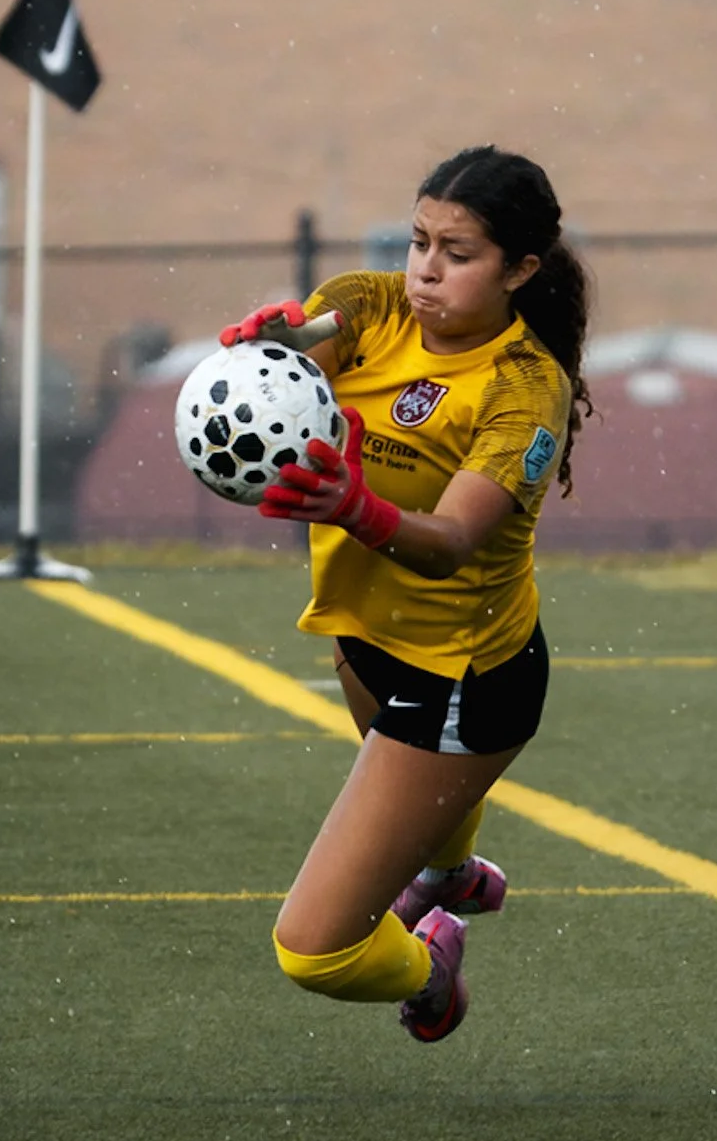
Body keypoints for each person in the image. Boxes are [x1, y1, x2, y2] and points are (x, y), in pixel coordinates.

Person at [217, 145, 593, 1043]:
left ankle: (433, 969)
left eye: (458, 255)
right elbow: (310, 341)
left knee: (314, 949)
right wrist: (273, 342)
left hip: (464, 678)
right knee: (424, 819)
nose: (426, 270)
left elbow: (453, 545)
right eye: (420, 241)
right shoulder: (373, 300)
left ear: (522, 270)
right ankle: (451, 875)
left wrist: (353, 506)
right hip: (363, 636)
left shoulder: (523, 386)